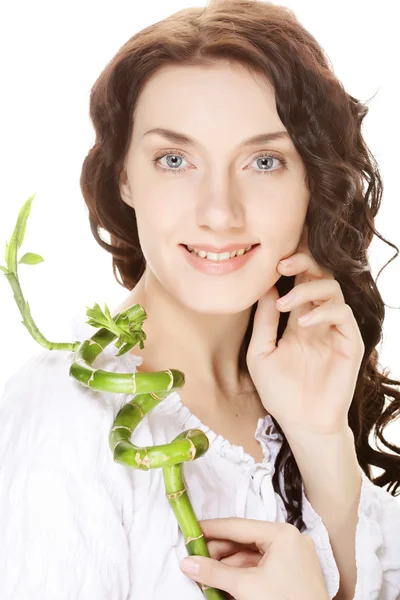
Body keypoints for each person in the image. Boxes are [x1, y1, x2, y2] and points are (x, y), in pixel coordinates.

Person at [0, 0, 399, 599]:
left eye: (264, 161)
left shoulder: (302, 390)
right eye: (175, 160)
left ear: (312, 179)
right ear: (124, 177)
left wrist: (321, 438)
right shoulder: (70, 410)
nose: (219, 211)